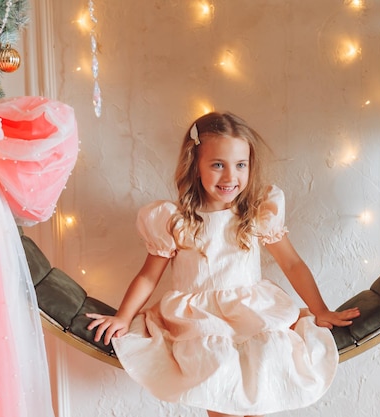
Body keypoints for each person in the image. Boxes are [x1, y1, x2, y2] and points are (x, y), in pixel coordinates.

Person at [87, 112, 360, 417]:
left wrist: (320, 309)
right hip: (200, 319)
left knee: (260, 380)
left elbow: (292, 263)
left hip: (252, 312)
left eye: (240, 165)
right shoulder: (176, 221)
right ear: (195, 165)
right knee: (220, 386)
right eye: (218, 165)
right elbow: (149, 277)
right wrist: (123, 317)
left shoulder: (257, 213)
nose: (231, 177)